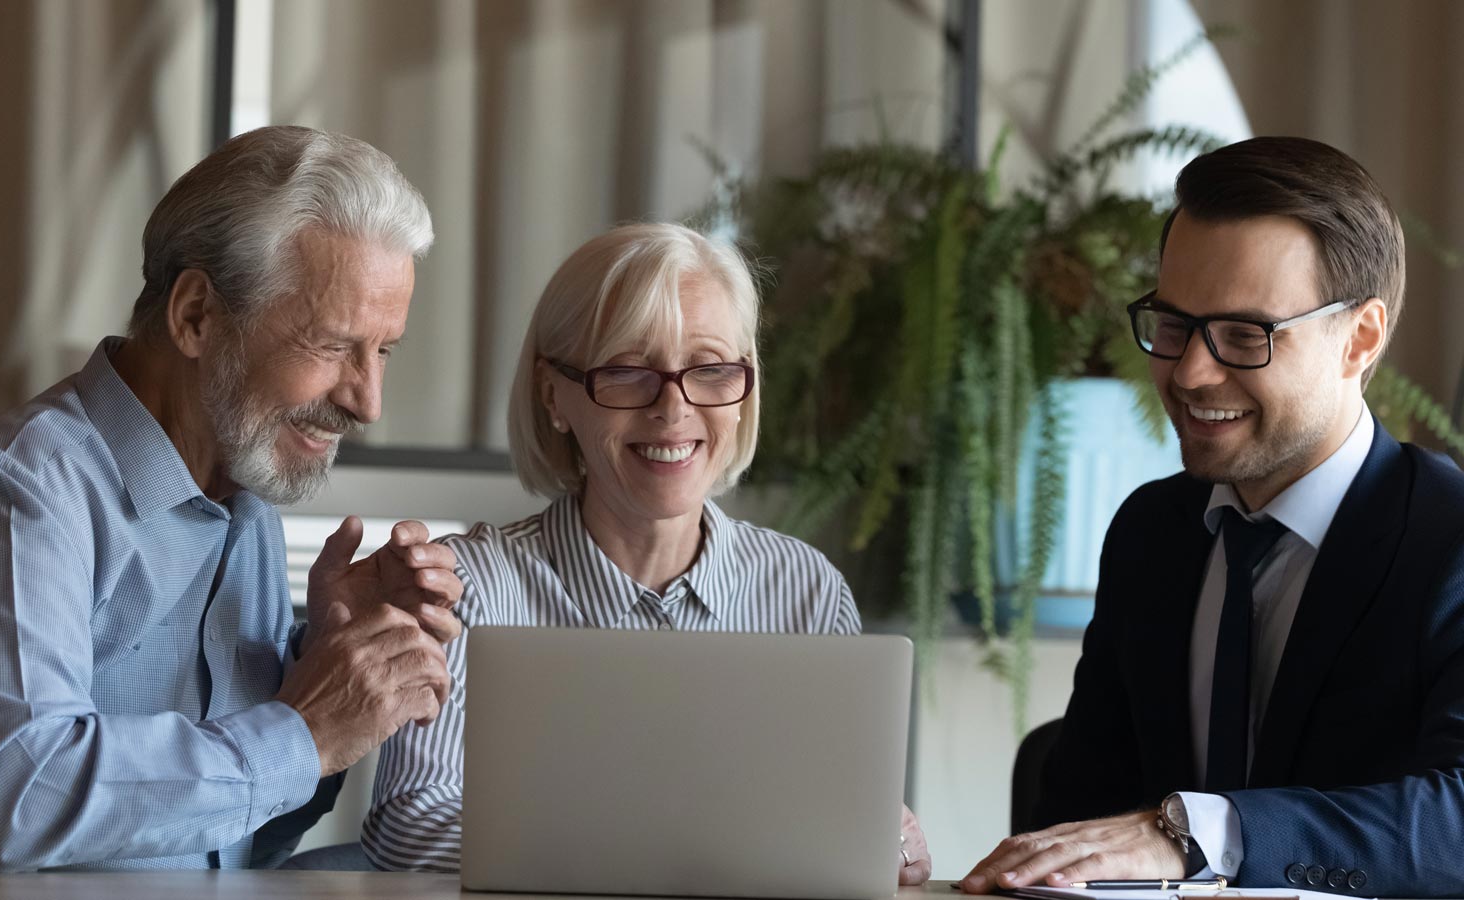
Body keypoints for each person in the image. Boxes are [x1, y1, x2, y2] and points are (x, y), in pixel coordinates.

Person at [0, 125, 465, 871]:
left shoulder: (245, 505)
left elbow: (229, 848)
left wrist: (325, 664)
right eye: (332, 345)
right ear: (195, 316)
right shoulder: (11, 493)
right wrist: (304, 731)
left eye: (383, 351)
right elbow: (14, 797)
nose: (367, 403)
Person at [960, 136, 1464, 898]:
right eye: (1174, 325)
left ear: (1359, 339)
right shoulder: (1149, 534)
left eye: (1243, 336)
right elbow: (1075, 822)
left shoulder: (1447, 540)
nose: (1191, 372)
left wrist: (1202, 832)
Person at [358, 222, 932, 883]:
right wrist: (684, 857)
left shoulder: (807, 591)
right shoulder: (467, 588)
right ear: (553, 394)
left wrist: (887, 842)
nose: (672, 409)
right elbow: (408, 825)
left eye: (710, 370)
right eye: (628, 372)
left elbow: (838, 830)